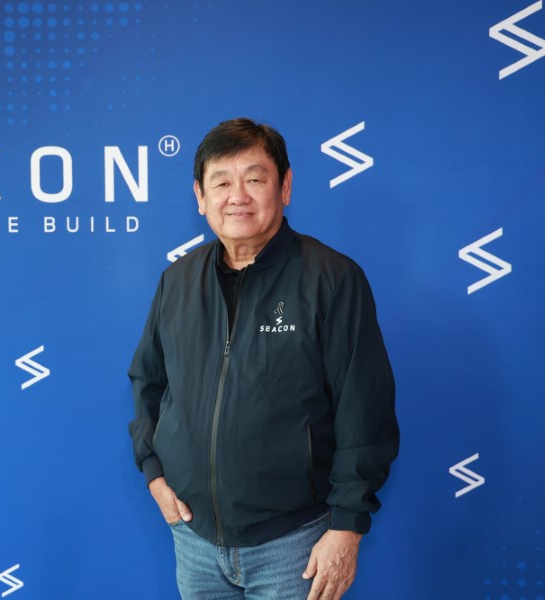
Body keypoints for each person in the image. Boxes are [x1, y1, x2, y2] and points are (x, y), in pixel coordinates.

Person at [128, 117, 399, 600]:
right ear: (200, 196)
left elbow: (364, 408)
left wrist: (347, 527)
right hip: (194, 541)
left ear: (285, 187)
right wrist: (154, 473)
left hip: (293, 546)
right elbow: (149, 382)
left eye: (254, 179)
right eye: (221, 183)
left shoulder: (332, 280)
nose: (237, 196)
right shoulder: (177, 282)